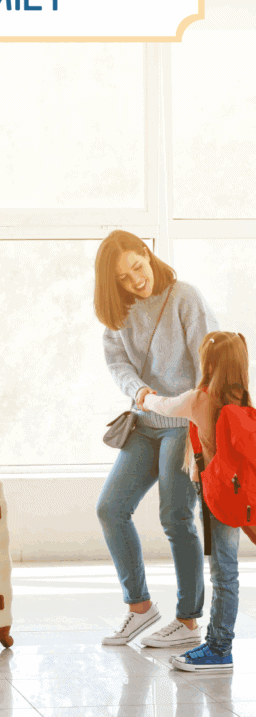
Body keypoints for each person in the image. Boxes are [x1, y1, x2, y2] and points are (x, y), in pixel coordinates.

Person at [94, 230, 217, 647]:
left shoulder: (185, 297)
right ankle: (140, 608)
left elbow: (209, 361)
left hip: (183, 425)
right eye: (124, 278)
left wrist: (196, 418)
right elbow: (117, 364)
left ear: (147, 255)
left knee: (175, 517)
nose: (135, 281)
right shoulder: (119, 313)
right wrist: (141, 393)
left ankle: (187, 623)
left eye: (137, 267)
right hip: (144, 421)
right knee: (111, 508)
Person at [138, 330, 249, 673]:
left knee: (224, 572)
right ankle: (218, 644)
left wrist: (143, 396)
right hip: (241, 494)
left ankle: (219, 648)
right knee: (227, 572)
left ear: (209, 363)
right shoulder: (242, 401)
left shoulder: (200, 399)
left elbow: (163, 406)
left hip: (218, 499)